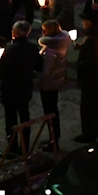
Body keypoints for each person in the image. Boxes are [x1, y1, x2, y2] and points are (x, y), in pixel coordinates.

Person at [0, 21, 36, 159]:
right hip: (25, 89)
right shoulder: (32, 47)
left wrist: (0, 61)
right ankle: (25, 148)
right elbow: (38, 65)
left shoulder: (11, 50)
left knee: (11, 121)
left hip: (11, 91)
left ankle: (12, 149)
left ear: (16, 33)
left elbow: (1, 73)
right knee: (25, 118)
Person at [74, 10, 98, 143]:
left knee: (87, 106)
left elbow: (91, 60)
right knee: (95, 104)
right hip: (97, 75)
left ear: (90, 23)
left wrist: (78, 64)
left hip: (89, 77)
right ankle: (97, 130)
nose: (82, 23)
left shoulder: (91, 38)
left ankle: (88, 133)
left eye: (84, 21)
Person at [37, 20, 69, 150]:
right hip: (56, 81)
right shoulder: (60, 44)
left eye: (45, 30)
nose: (42, 32)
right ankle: (54, 138)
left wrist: (35, 75)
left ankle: (53, 140)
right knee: (53, 110)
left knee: (50, 112)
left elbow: (46, 72)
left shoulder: (51, 50)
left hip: (49, 84)